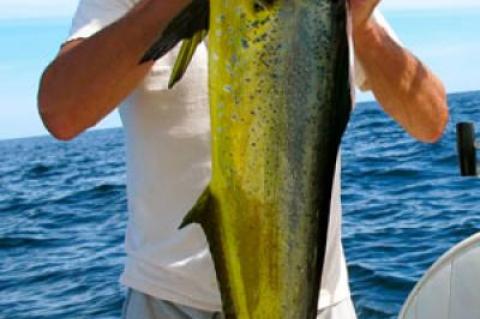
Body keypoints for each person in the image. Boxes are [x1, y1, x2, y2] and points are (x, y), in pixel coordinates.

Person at [37, 0, 449, 318]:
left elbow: (430, 121)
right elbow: (61, 112)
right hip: (167, 299)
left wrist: (360, 26)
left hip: (311, 297)